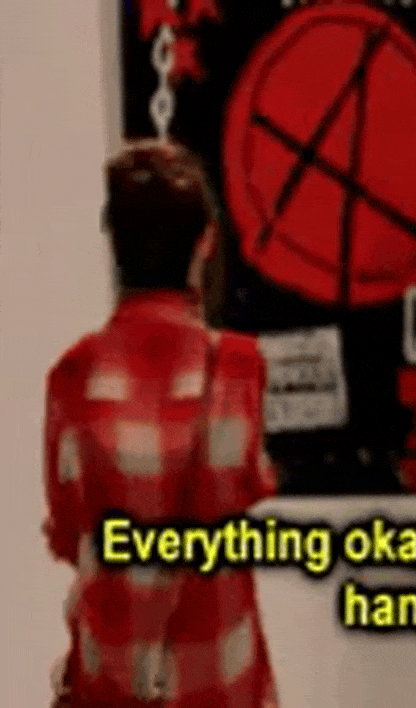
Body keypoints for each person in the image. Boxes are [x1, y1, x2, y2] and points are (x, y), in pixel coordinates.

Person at [42, 140, 278, 708]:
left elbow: (70, 533)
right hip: (221, 680)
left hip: (114, 682)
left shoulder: (72, 374)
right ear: (205, 241)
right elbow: (252, 486)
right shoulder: (241, 367)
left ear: (114, 243)